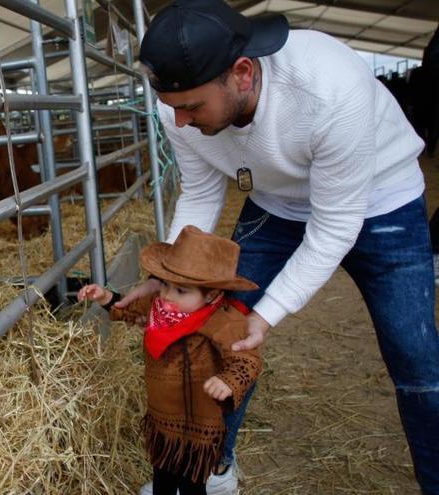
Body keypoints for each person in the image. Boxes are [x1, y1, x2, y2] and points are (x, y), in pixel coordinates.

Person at [129, 0, 439, 493]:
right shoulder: (179, 107)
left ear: (243, 73)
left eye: (192, 107)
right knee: (218, 332)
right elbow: (203, 190)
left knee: (415, 360)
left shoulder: (330, 88)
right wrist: (172, 274)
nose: (181, 122)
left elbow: (336, 226)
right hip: (276, 204)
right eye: (173, 106)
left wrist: (266, 313)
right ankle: (213, 468)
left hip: (383, 202)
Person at [78, 226, 261, 495]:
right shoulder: (158, 307)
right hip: (163, 421)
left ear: (211, 295)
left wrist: (229, 381)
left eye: (181, 290)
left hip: (197, 426)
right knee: (162, 478)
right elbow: (129, 311)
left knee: (191, 484)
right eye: (164, 284)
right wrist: (105, 298)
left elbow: (247, 359)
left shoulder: (223, 320)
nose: (166, 295)